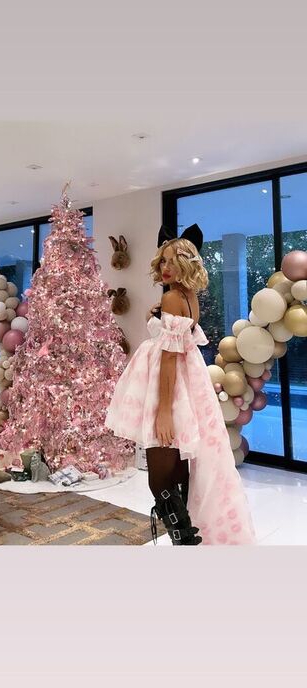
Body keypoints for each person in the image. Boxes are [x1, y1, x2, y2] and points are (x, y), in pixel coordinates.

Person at [104, 224, 256, 546]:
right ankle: (187, 538)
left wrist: (163, 411)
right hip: (187, 384)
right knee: (176, 470)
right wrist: (155, 317)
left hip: (169, 386)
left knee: (160, 480)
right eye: (163, 260)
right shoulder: (187, 296)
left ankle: (185, 540)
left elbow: (170, 358)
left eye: (173, 261)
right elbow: (180, 339)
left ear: (187, 263)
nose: (166, 266)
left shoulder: (173, 297)